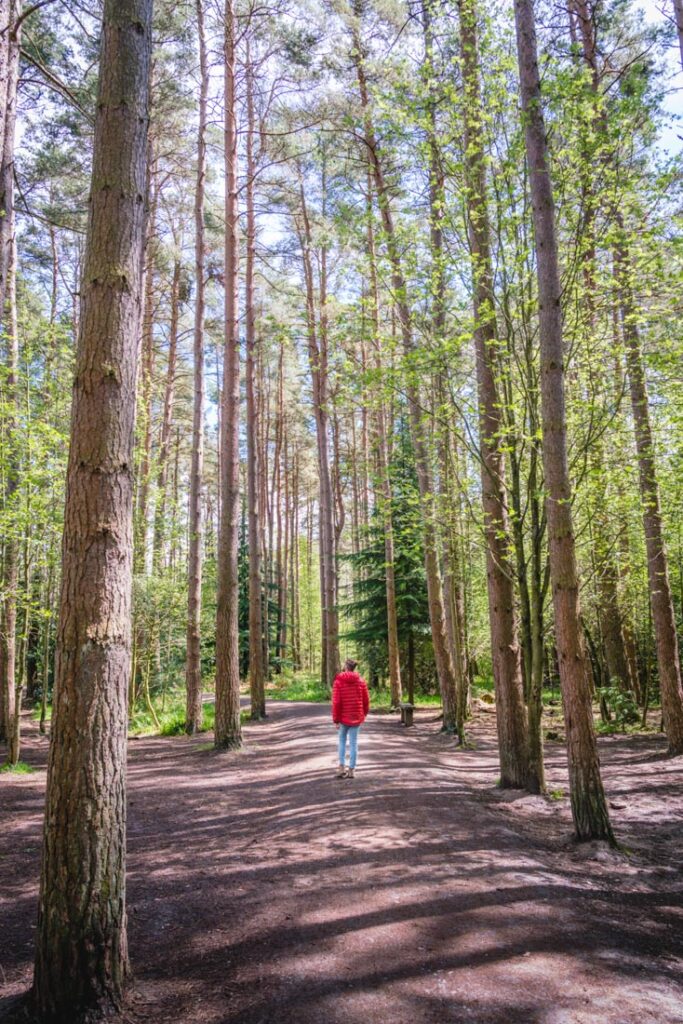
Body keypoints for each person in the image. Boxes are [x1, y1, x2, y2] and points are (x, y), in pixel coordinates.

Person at [332, 658, 370, 779]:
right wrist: (363, 714)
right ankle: (352, 770)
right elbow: (366, 701)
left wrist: (336, 719)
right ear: (354, 668)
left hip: (343, 718)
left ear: (346, 667)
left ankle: (341, 767)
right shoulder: (361, 681)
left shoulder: (338, 681)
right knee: (354, 743)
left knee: (342, 741)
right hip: (356, 717)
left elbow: (336, 702)